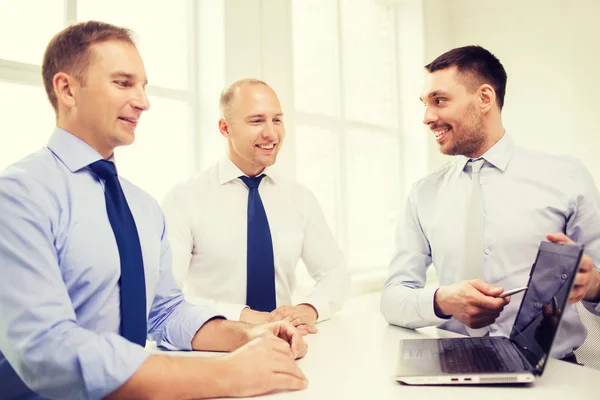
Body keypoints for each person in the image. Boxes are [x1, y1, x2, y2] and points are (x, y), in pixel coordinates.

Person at [0, 21, 308, 400]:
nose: (144, 101)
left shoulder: (142, 207)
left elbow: (165, 313)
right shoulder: (17, 196)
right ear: (67, 89)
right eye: (124, 83)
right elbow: (45, 351)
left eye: (143, 86)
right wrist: (224, 376)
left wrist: (247, 335)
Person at [380, 45, 600, 361]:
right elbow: (392, 299)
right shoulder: (422, 194)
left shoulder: (568, 177)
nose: (427, 117)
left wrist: (593, 284)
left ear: (485, 98)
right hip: (456, 366)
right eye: (425, 104)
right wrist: (441, 301)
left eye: (439, 101)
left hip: (553, 374)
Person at [161, 79, 350, 333]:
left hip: (287, 346)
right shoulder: (184, 199)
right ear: (225, 128)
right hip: (212, 352)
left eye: (277, 120)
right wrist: (241, 315)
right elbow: (166, 296)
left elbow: (335, 274)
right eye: (257, 121)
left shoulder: (300, 198)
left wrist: (309, 309)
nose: (271, 133)